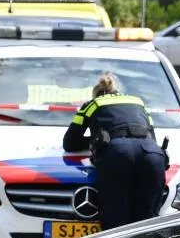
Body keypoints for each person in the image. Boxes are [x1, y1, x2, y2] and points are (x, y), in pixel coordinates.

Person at [62, 74, 167, 229]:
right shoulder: (138, 102)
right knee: (147, 222)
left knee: (116, 222)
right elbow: (152, 137)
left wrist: (97, 140)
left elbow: (70, 143)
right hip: (152, 155)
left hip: (117, 155)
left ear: (97, 93)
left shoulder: (92, 104)